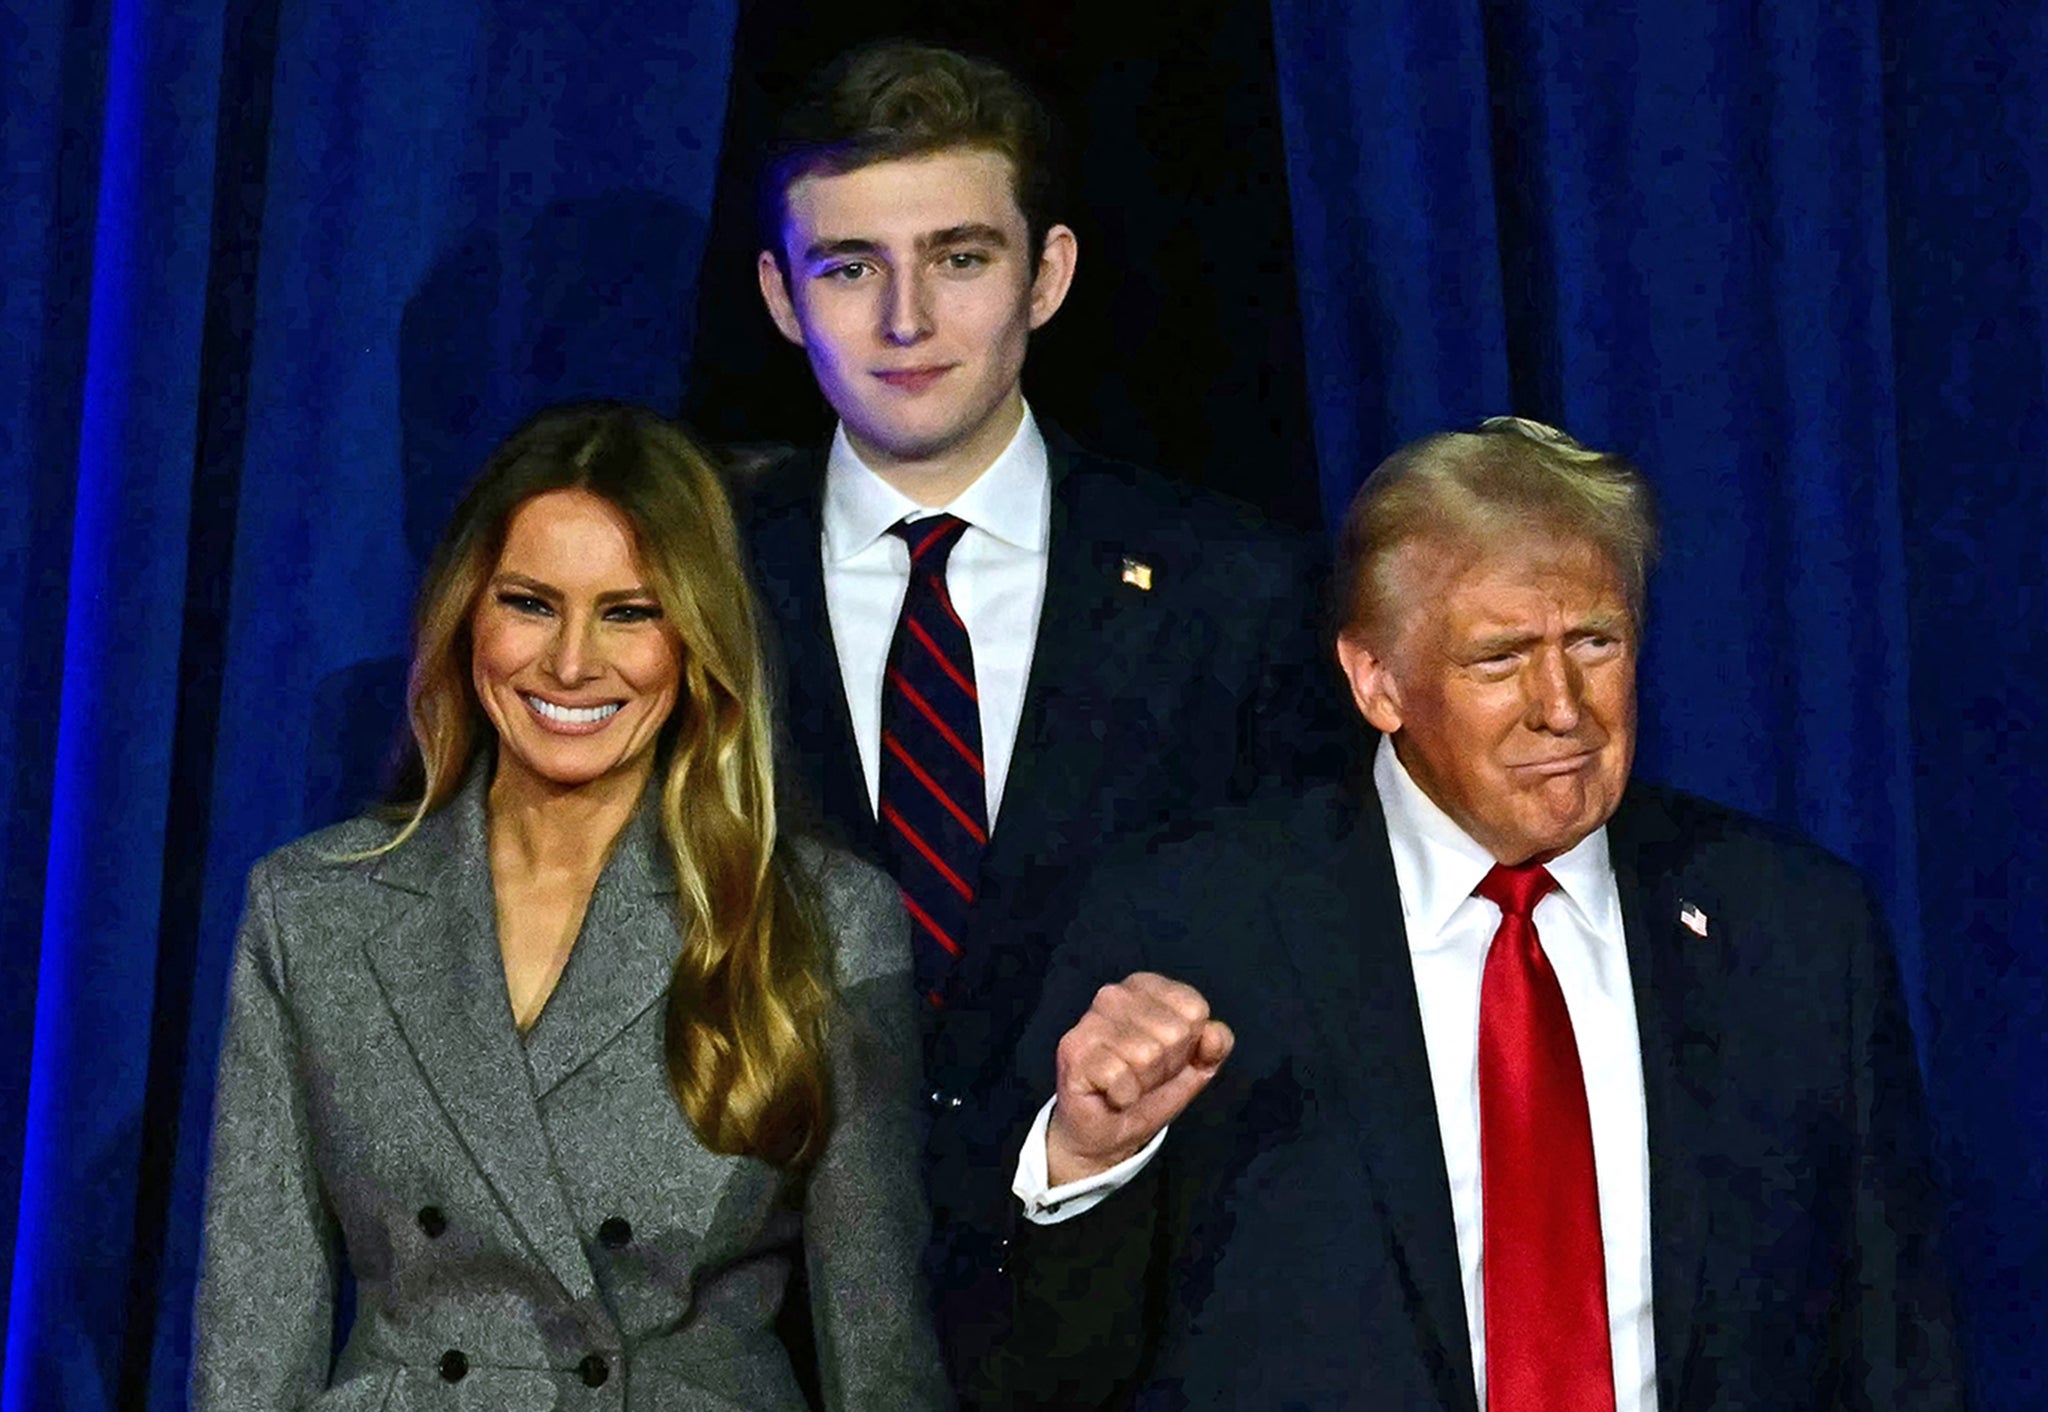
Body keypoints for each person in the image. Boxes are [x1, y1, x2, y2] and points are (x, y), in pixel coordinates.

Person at [986, 417, 1965, 1409]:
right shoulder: (1197, 922)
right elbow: (1036, 1371)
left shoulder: (1791, 928)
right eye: (1500, 657)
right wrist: (1087, 1165)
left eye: (1594, 640)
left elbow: (1896, 1345)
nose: (1562, 707)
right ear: (1375, 680)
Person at [738, 41, 1350, 1379]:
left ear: (1048, 274)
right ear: (785, 297)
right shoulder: (684, 581)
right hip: (752, 1351)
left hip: (1129, 1341)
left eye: (960, 258)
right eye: (851, 267)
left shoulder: (1232, 594)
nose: (908, 320)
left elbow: (1303, 995)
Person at [191, 404, 951, 1410]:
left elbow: (878, 1345)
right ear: (468, 613)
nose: (571, 664)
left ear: (694, 638)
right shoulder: (311, 909)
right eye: (531, 603)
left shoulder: (820, 917)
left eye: (627, 611)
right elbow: (253, 1332)